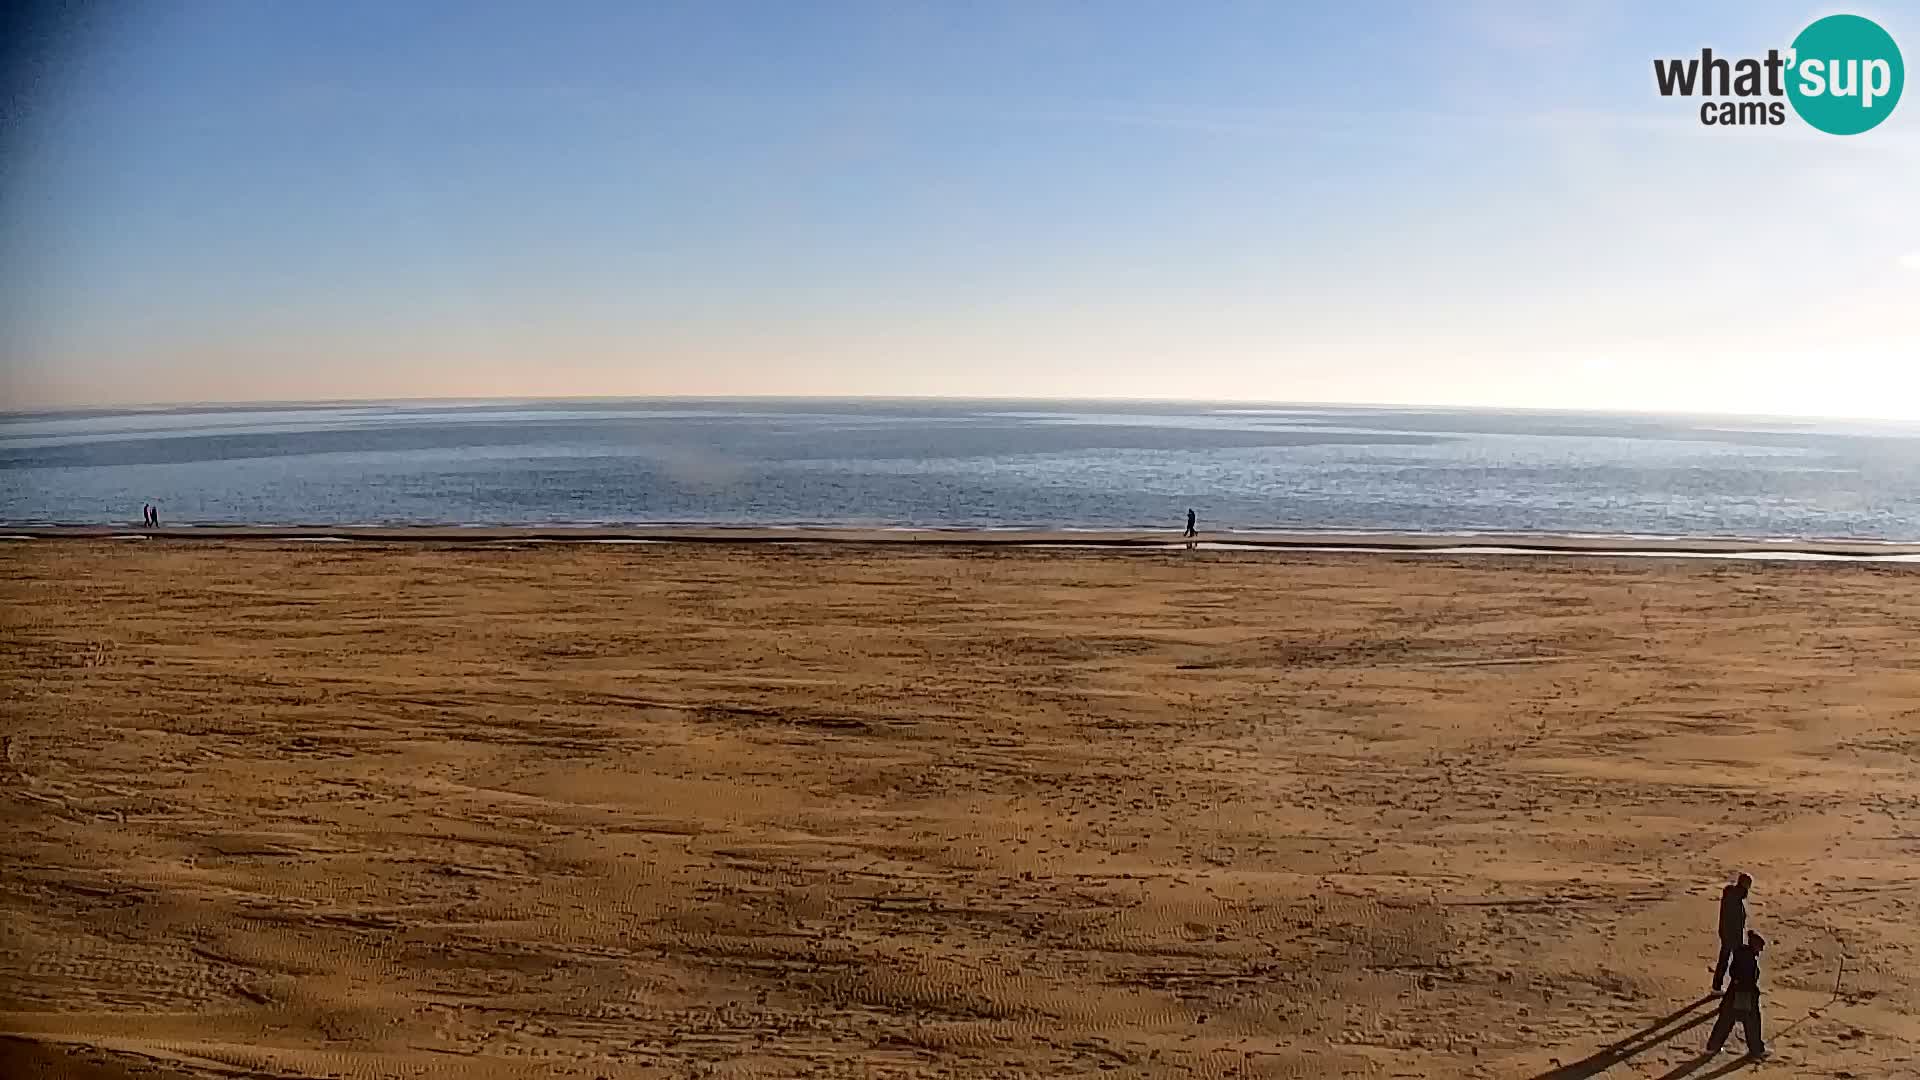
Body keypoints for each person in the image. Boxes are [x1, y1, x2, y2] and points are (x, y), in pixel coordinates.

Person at [1706, 930, 1766, 1059]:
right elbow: (1749, 979)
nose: (1760, 951)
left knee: (1725, 1021)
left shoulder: (1740, 954)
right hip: (1745, 995)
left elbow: (1733, 972)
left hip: (1732, 993)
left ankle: (1712, 1047)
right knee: (1752, 1023)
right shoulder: (1749, 960)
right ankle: (1757, 1050)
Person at [1713, 873, 1752, 992]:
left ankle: (1718, 986)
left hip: (1728, 933)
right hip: (1732, 935)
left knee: (1726, 960)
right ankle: (1729, 986)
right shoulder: (1736, 897)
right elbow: (1733, 919)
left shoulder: (1732, 895)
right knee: (1733, 962)